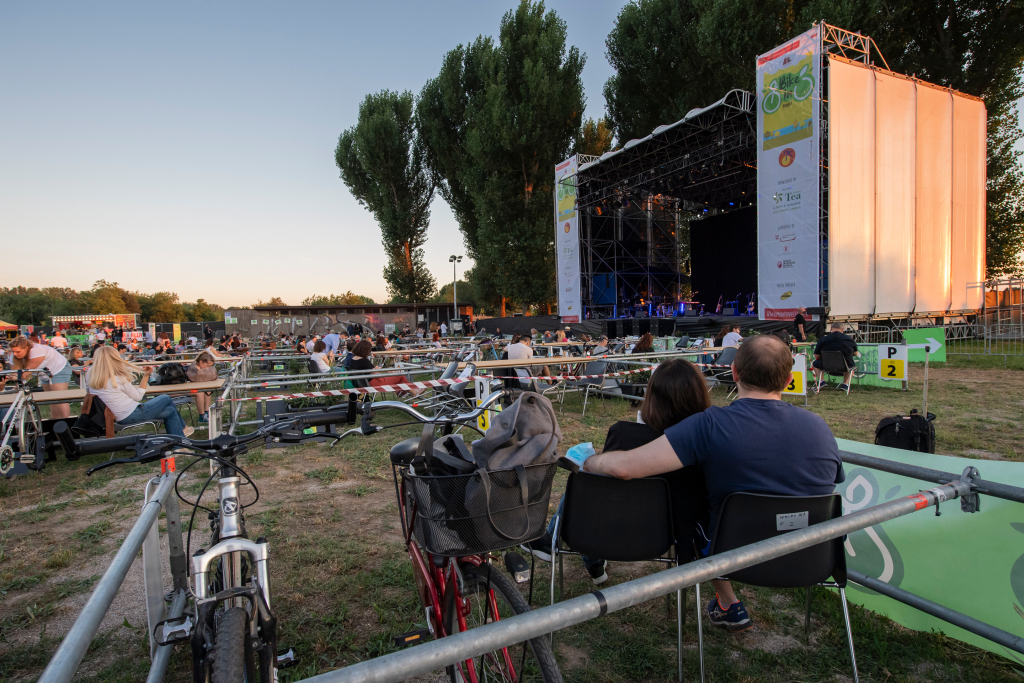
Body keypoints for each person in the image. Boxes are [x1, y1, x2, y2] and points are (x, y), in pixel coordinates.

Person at [582, 335, 844, 632]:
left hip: (732, 554)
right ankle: (727, 602)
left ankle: (728, 601)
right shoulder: (821, 428)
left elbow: (626, 468)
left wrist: (590, 461)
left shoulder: (709, 425)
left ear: (734, 372)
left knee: (695, 514)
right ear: (787, 379)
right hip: (811, 554)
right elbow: (829, 485)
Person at [523, 359, 712, 584]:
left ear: (652, 396)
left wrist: (589, 462)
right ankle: (587, 560)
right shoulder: (707, 442)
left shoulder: (625, 434)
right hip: (670, 537)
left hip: (608, 531)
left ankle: (574, 552)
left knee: (586, 481)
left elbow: (604, 491)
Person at [88, 346, 193, 437]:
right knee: (165, 397)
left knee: (170, 411)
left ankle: (179, 443)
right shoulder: (118, 377)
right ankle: (183, 429)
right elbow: (138, 397)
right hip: (131, 414)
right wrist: (146, 376)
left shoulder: (90, 375)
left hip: (116, 415)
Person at [9, 336, 73, 419]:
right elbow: (14, 374)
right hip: (45, 373)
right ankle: (54, 422)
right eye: (13, 351)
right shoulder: (13, 356)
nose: (15, 354)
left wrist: (15, 381)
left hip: (59, 369)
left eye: (18, 352)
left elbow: (26, 373)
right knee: (51, 399)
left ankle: (66, 421)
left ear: (26, 348)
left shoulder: (36, 351)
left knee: (59, 396)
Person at [811, 322, 860, 392]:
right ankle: (845, 385)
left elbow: (816, 355)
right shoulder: (849, 339)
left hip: (826, 366)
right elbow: (855, 353)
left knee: (815, 363)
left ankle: (822, 381)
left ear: (831, 328)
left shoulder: (823, 339)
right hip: (844, 367)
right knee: (850, 364)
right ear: (842, 329)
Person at [186, 351, 218, 423]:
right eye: (207, 366)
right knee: (200, 393)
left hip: (195, 387)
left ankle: (206, 412)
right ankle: (202, 416)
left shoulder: (199, 367)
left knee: (207, 390)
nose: (208, 368)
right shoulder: (195, 368)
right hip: (188, 389)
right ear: (201, 362)